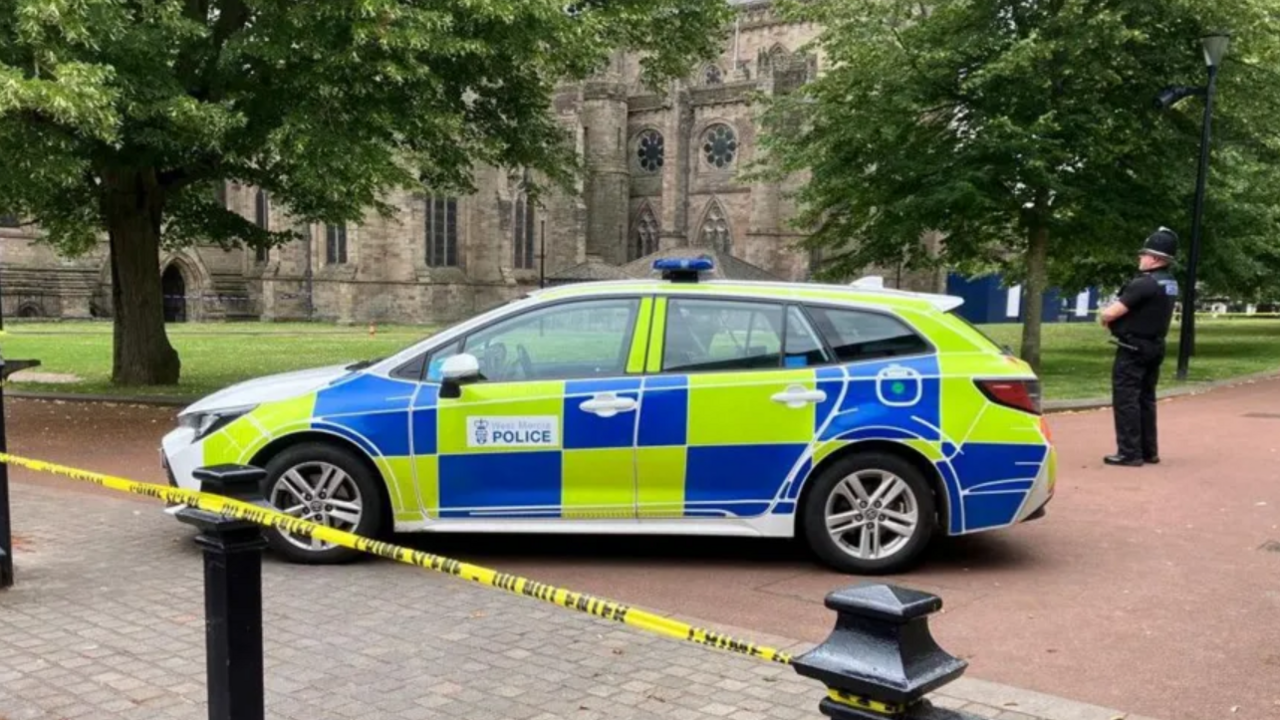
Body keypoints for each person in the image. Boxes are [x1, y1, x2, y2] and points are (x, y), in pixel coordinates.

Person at [1098, 228, 1180, 467]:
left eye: (1143, 254)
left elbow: (1112, 312)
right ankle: (1148, 451)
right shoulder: (1169, 283)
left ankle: (1129, 452)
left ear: (1154, 258)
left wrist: (1105, 317)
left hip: (1132, 347)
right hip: (1155, 346)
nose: (1140, 258)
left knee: (1126, 399)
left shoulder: (1143, 284)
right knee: (1146, 398)